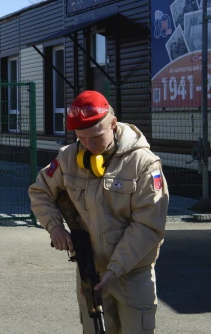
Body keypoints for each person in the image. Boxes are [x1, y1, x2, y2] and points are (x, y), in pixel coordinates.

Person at [28, 90, 169, 334]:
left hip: (132, 273)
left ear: (113, 124)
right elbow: (40, 192)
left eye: (96, 137)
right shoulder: (69, 157)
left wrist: (115, 269)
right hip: (89, 270)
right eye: (81, 138)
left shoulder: (144, 163)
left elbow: (148, 226)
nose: (89, 146)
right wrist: (55, 227)